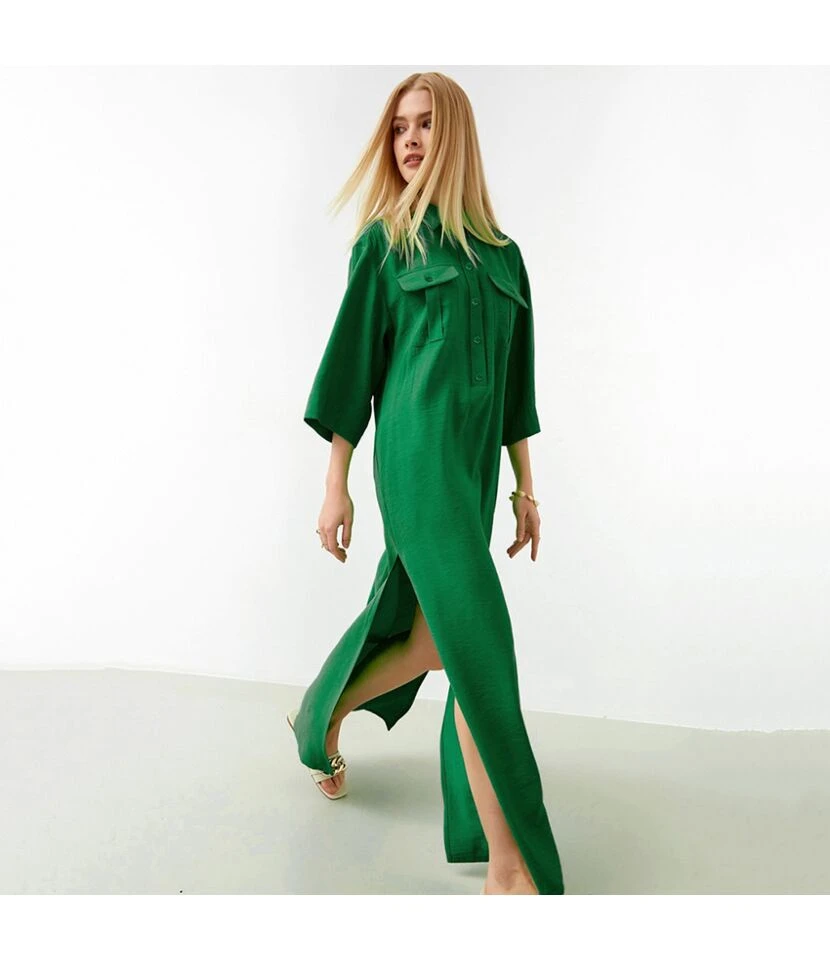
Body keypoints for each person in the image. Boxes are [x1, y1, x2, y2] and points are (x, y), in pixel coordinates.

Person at [288, 71, 565, 896]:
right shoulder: (384, 246)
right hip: (416, 467)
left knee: (442, 643)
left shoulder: (505, 258)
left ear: (457, 138)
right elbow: (350, 374)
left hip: (473, 474)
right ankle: (512, 869)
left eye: (425, 125)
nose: (408, 140)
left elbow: (516, 390)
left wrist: (524, 487)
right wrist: (335, 486)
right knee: (481, 647)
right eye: (399, 127)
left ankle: (323, 712)